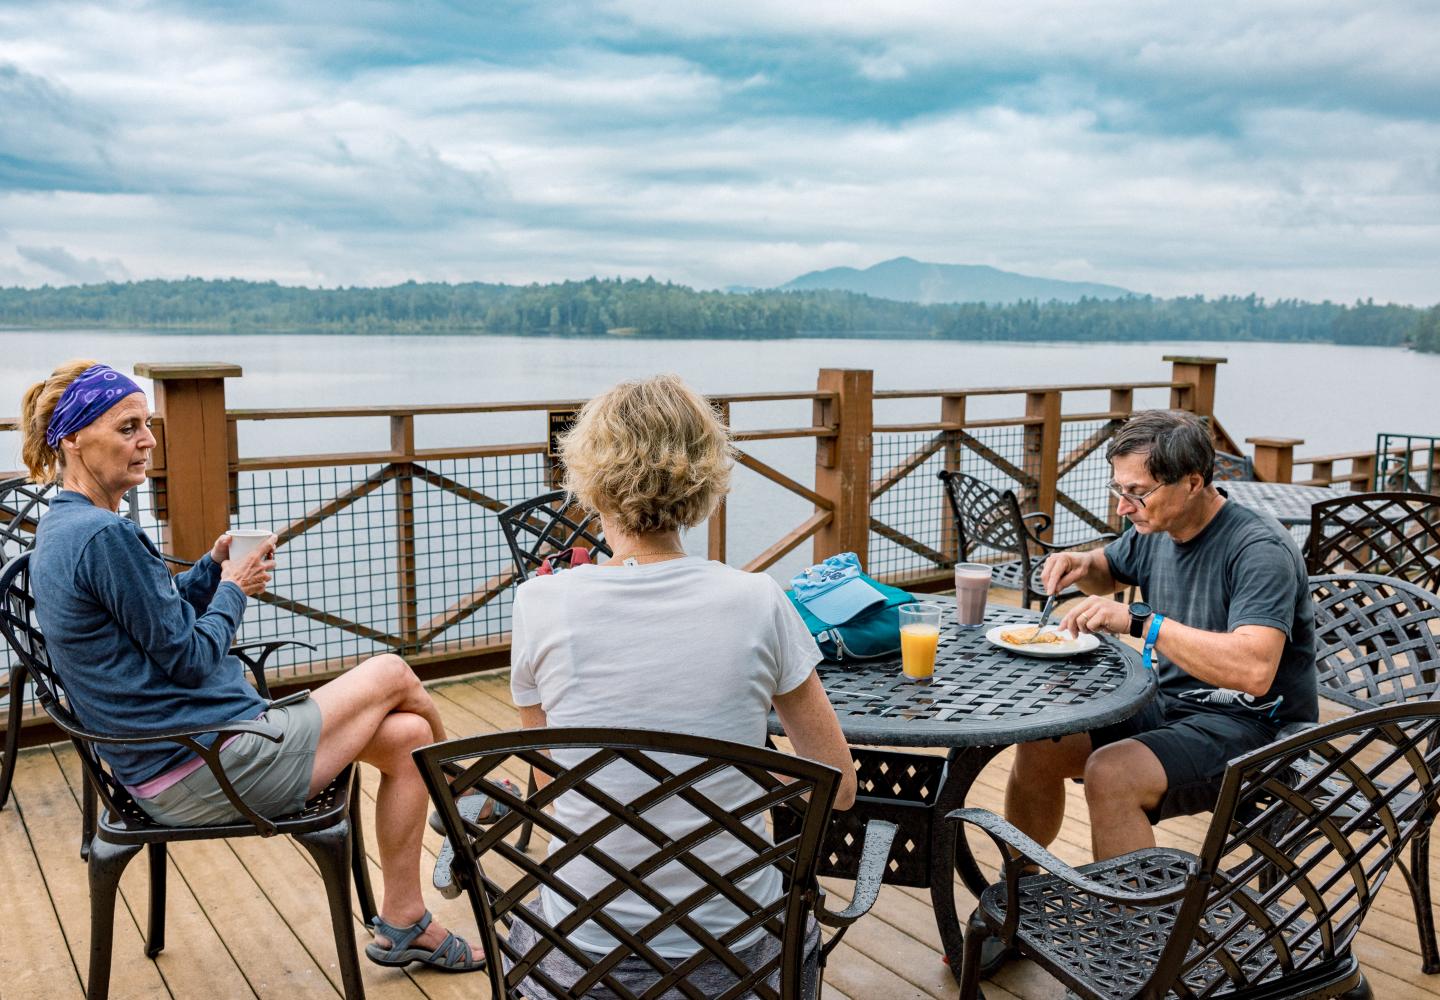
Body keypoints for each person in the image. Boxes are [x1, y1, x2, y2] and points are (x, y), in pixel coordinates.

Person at [20, 359, 482, 974]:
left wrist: (211, 571)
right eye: (128, 427)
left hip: (174, 753)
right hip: (201, 766)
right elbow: (189, 659)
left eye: (147, 426)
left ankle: (404, 921)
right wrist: (236, 589)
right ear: (72, 438)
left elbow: (159, 633)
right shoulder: (104, 536)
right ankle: (463, 799)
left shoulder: (67, 525)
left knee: (409, 737)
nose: (148, 441)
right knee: (394, 671)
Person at [507, 374, 857, 987]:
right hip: (737, 952)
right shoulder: (758, 600)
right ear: (705, 475)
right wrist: (742, 770)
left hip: (587, 954)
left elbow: (551, 781)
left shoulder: (540, 603)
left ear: (590, 477)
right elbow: (840, 788)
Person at [987, 408, 1317, 973]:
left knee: (1112, 772)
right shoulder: (1156, 526)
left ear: (1193, 482)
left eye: (1136, 492)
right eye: (1119, 490)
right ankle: (1021, 898)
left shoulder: (1258, 549)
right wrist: (1075, 562)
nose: (1123, 507)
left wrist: (1141, 621)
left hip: (1256, 726)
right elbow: (1107, 566)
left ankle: (1137, 949)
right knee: (1043, 739)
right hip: (1170, 705)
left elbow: (1254, 668)